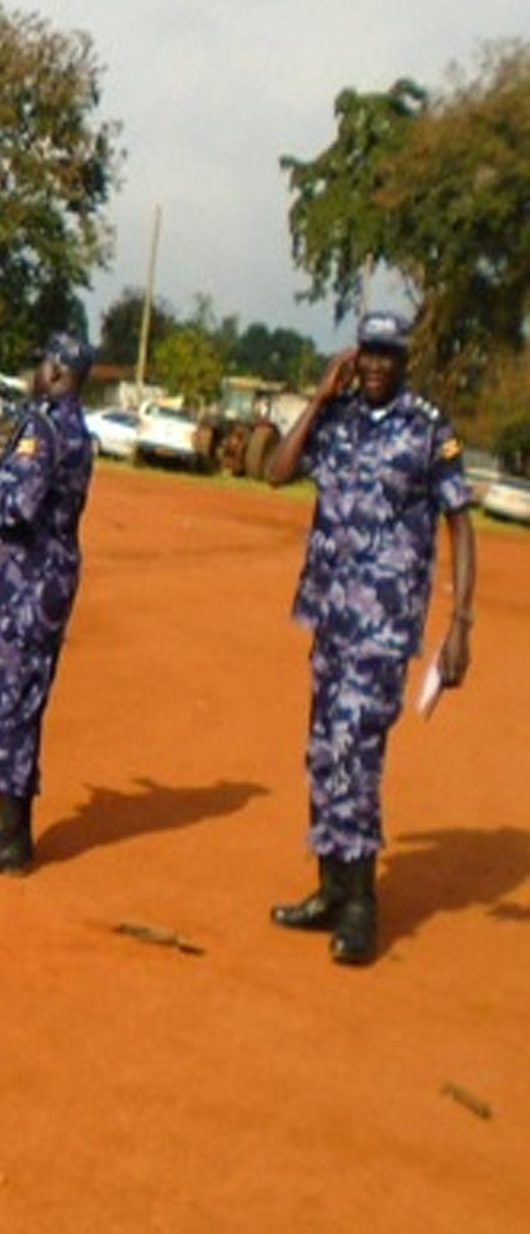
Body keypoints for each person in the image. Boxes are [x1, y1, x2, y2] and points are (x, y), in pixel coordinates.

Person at [264, 310, 475, 965]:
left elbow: (461, 525)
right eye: (369, 353)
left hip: (384, 625)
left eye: (389, 354)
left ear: (405, 359)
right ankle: (331, 888)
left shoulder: (427, 429)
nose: (377, 364)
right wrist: (320, 398)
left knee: (356, 749)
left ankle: (361, 904)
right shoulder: (339, 419)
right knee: (324, 749)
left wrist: (459, 624)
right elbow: (275, 469)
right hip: (329, 616)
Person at [0, 332, 97, 874]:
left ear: (57, 372)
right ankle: (12, 825)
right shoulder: (76, 431)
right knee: (25, 702)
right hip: (49, 584)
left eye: (43, 365)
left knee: (9, 707)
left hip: (26, 589)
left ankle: (10, 837)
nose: (36, 374)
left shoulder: (46, 429)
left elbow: (21, 506)